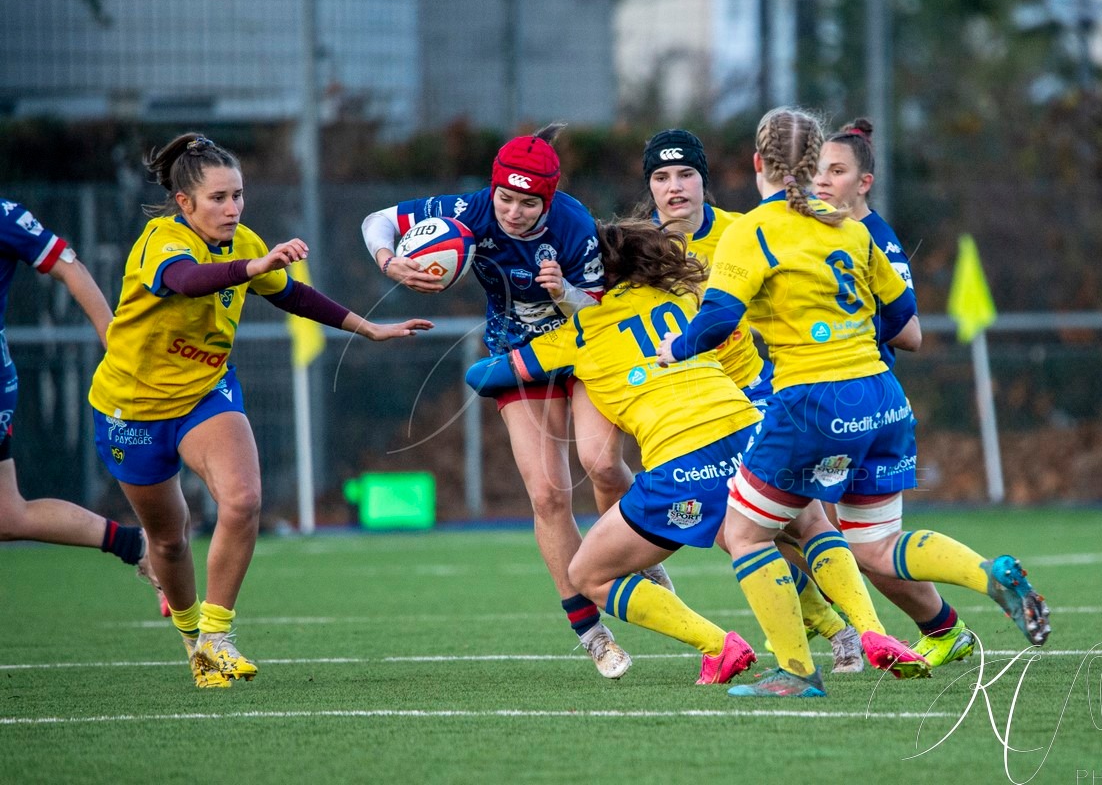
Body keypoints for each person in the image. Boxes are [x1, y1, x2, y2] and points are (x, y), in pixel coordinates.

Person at [91, 133, 432, 689]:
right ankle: (191, 641)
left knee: (244, 498)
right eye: (219, 198)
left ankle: (217, 639)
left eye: (238, 195)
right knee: (170, 540)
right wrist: (253, 267)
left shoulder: (243, 241)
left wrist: (365, 328)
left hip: (205, 393)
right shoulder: (163, 239)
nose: (232, 208)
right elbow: (185, 281)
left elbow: (291, 294)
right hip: (131, 407)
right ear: (185, 204)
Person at [657, 107, 931, 697]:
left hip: (806, 401)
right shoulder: (848, 225)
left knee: (746, 534)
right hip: (876, 397)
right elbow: (903, 315)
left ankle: (796, 671)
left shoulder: (750, 230)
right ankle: (880, 630)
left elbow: (719, 318)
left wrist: (676, 349)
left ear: (756, 163)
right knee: (817, 524)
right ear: (815, 167)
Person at [361, 125, 636, 678]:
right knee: (546, 495)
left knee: (603, 462)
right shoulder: (473, 207)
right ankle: (592, 633)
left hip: (581, 351)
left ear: (549, 200)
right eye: (505, 197)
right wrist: (390, 262)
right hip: (515, 358)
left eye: (526, 202)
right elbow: (377, 221)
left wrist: (565, 293)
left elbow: (603, 314)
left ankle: (638, 551)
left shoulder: (574, 226)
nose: (511, 211)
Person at [464, 218, 764, 685]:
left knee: (588, 574)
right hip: (752, 435)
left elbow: (483, 376)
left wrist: (560, 353)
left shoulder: (586, 328)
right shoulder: (682, 296)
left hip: (683, 468)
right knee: (794, 532)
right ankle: (856, 634)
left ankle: (718, 645)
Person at [812, 119, 1051, 661]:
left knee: (776, 526)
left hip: (839, 402)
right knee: (871, 547)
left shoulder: (871, 239)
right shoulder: (825, 233)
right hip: (872, 405)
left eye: (838, 171)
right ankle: (959, 611)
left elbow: (908, 331)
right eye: (819, 170)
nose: (823, 181)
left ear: (864, 182)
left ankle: (832, 645)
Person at [640, 130, 864, 674]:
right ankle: (843, 633)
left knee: (795, 521)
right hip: (692, 413)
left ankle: (854, 631)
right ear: (649, 186)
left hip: (754, 395)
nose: (675, 188)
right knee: (737, 533)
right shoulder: (635, 248)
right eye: (662, 177)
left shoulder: (743, 230)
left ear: (704, 181)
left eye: (686, 174)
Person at [0, 198, 160, 598]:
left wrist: (115, 342)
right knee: (7, 515)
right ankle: (138, 545)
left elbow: (69, 264)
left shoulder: (4, 215)